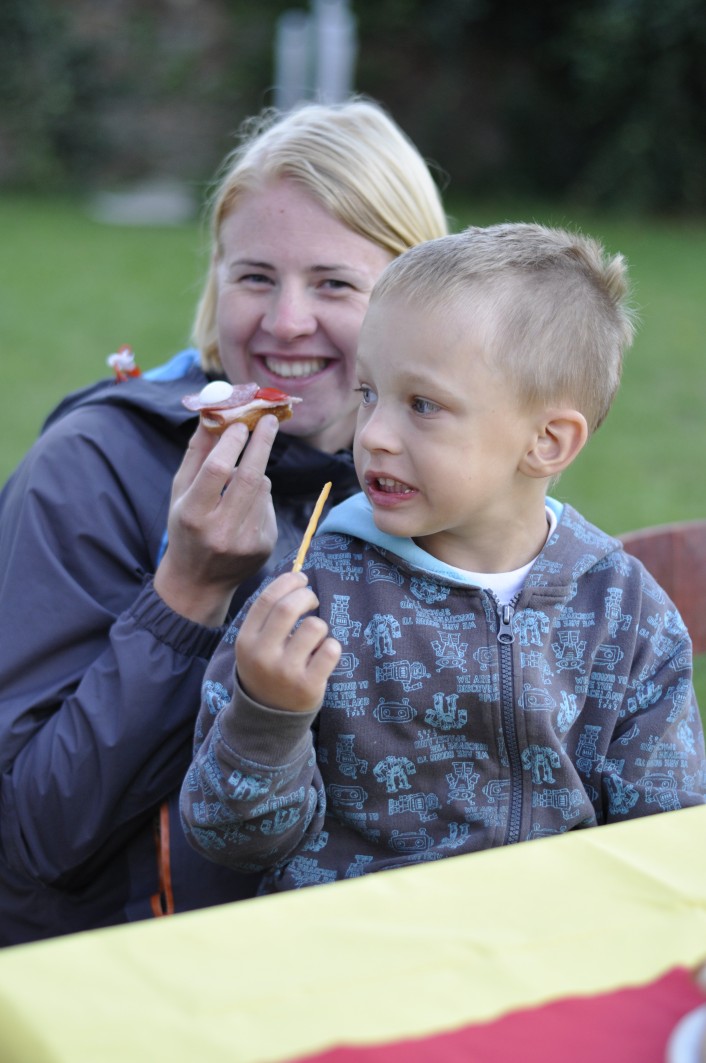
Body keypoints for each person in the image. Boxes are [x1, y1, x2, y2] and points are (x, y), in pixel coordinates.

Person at [0, 98, 448, 945]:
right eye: (254, 278)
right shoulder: (91, 470)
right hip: (141, 966)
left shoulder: (443, 486)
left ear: (417, 299)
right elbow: (33, 837)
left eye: (334, 283)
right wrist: (188, 592)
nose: (285, 322)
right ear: (215, 280)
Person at [180, 222, 706, 892]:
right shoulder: (314, 595)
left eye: (422, 405)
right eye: (368, 394)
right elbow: (229, 839)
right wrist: (266, 713)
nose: (374, 436)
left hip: (546, 941)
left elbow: (667, 843)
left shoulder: (623, 611)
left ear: (546, 441)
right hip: (356, 945)